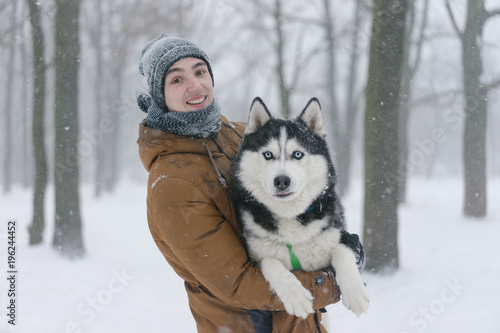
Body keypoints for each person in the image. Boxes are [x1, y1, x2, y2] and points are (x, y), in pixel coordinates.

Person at [136, 34, 365, 333]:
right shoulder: (172, 183)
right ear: (159, 96)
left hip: (299, 321)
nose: (194, 85)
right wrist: (331, 283)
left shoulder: (237, 134)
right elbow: (238, 283)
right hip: (248, 324)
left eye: (199, 71)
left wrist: (334, 246)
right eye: (176, 80)